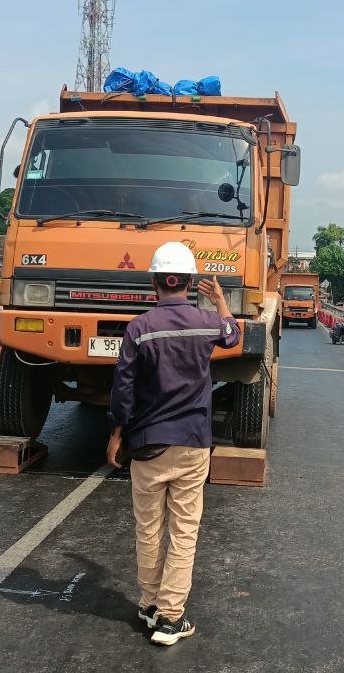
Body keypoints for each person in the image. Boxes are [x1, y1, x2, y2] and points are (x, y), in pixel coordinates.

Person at [107, 241, 240, 647]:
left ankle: (150, 605)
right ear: (190, 282)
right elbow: (233, 337)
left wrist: (116, 434)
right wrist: (219, 300)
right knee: (183, 531)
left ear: (155, 284)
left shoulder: (139, 328)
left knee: (148, 529)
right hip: (193, 442)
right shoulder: (205, 323)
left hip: (147, 445)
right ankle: (170, 618)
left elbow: (123, 391)